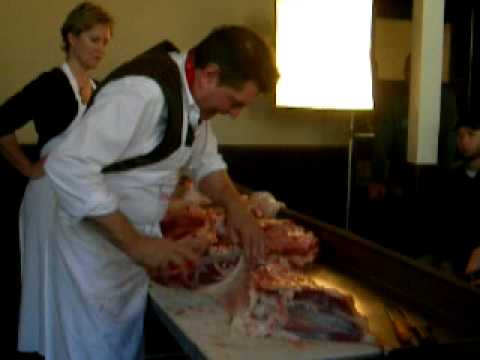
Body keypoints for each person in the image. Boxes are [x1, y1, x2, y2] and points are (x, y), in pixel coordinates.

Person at [42, 25, 278, 359]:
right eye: (235, 102)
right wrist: (138, 244)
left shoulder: (193, 98)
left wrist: (236, 207)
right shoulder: (143, 92)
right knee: (89, 350)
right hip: (88, 259)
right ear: (210, 75)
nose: (236, 114)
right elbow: (68, 167)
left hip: (123, 258)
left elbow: (205, 162)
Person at [0, 2, 113, 358]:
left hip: (87, 196)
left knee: (82, 284)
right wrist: (28, 167)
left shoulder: (103, 89)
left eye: (106, 41)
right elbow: (1, 125)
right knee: (52, 282)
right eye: (94, 39)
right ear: (71, 38)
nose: (100, 48)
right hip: (49, 197)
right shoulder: (50, 83)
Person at [365, 54, 458, 256]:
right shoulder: (395, 101)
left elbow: (450, 142)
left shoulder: (447, 100)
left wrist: (446, 181)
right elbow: (383, 139)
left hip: (436, 176)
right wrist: (378, 178)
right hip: (401, 175)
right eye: (412, 72)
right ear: (406, 74)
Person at [436, 113, 480, 281]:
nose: (464, 141)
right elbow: (444, 223)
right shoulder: (452, 177)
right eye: (460, 136)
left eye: (471, 134)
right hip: (452, 263)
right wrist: (445, 261)